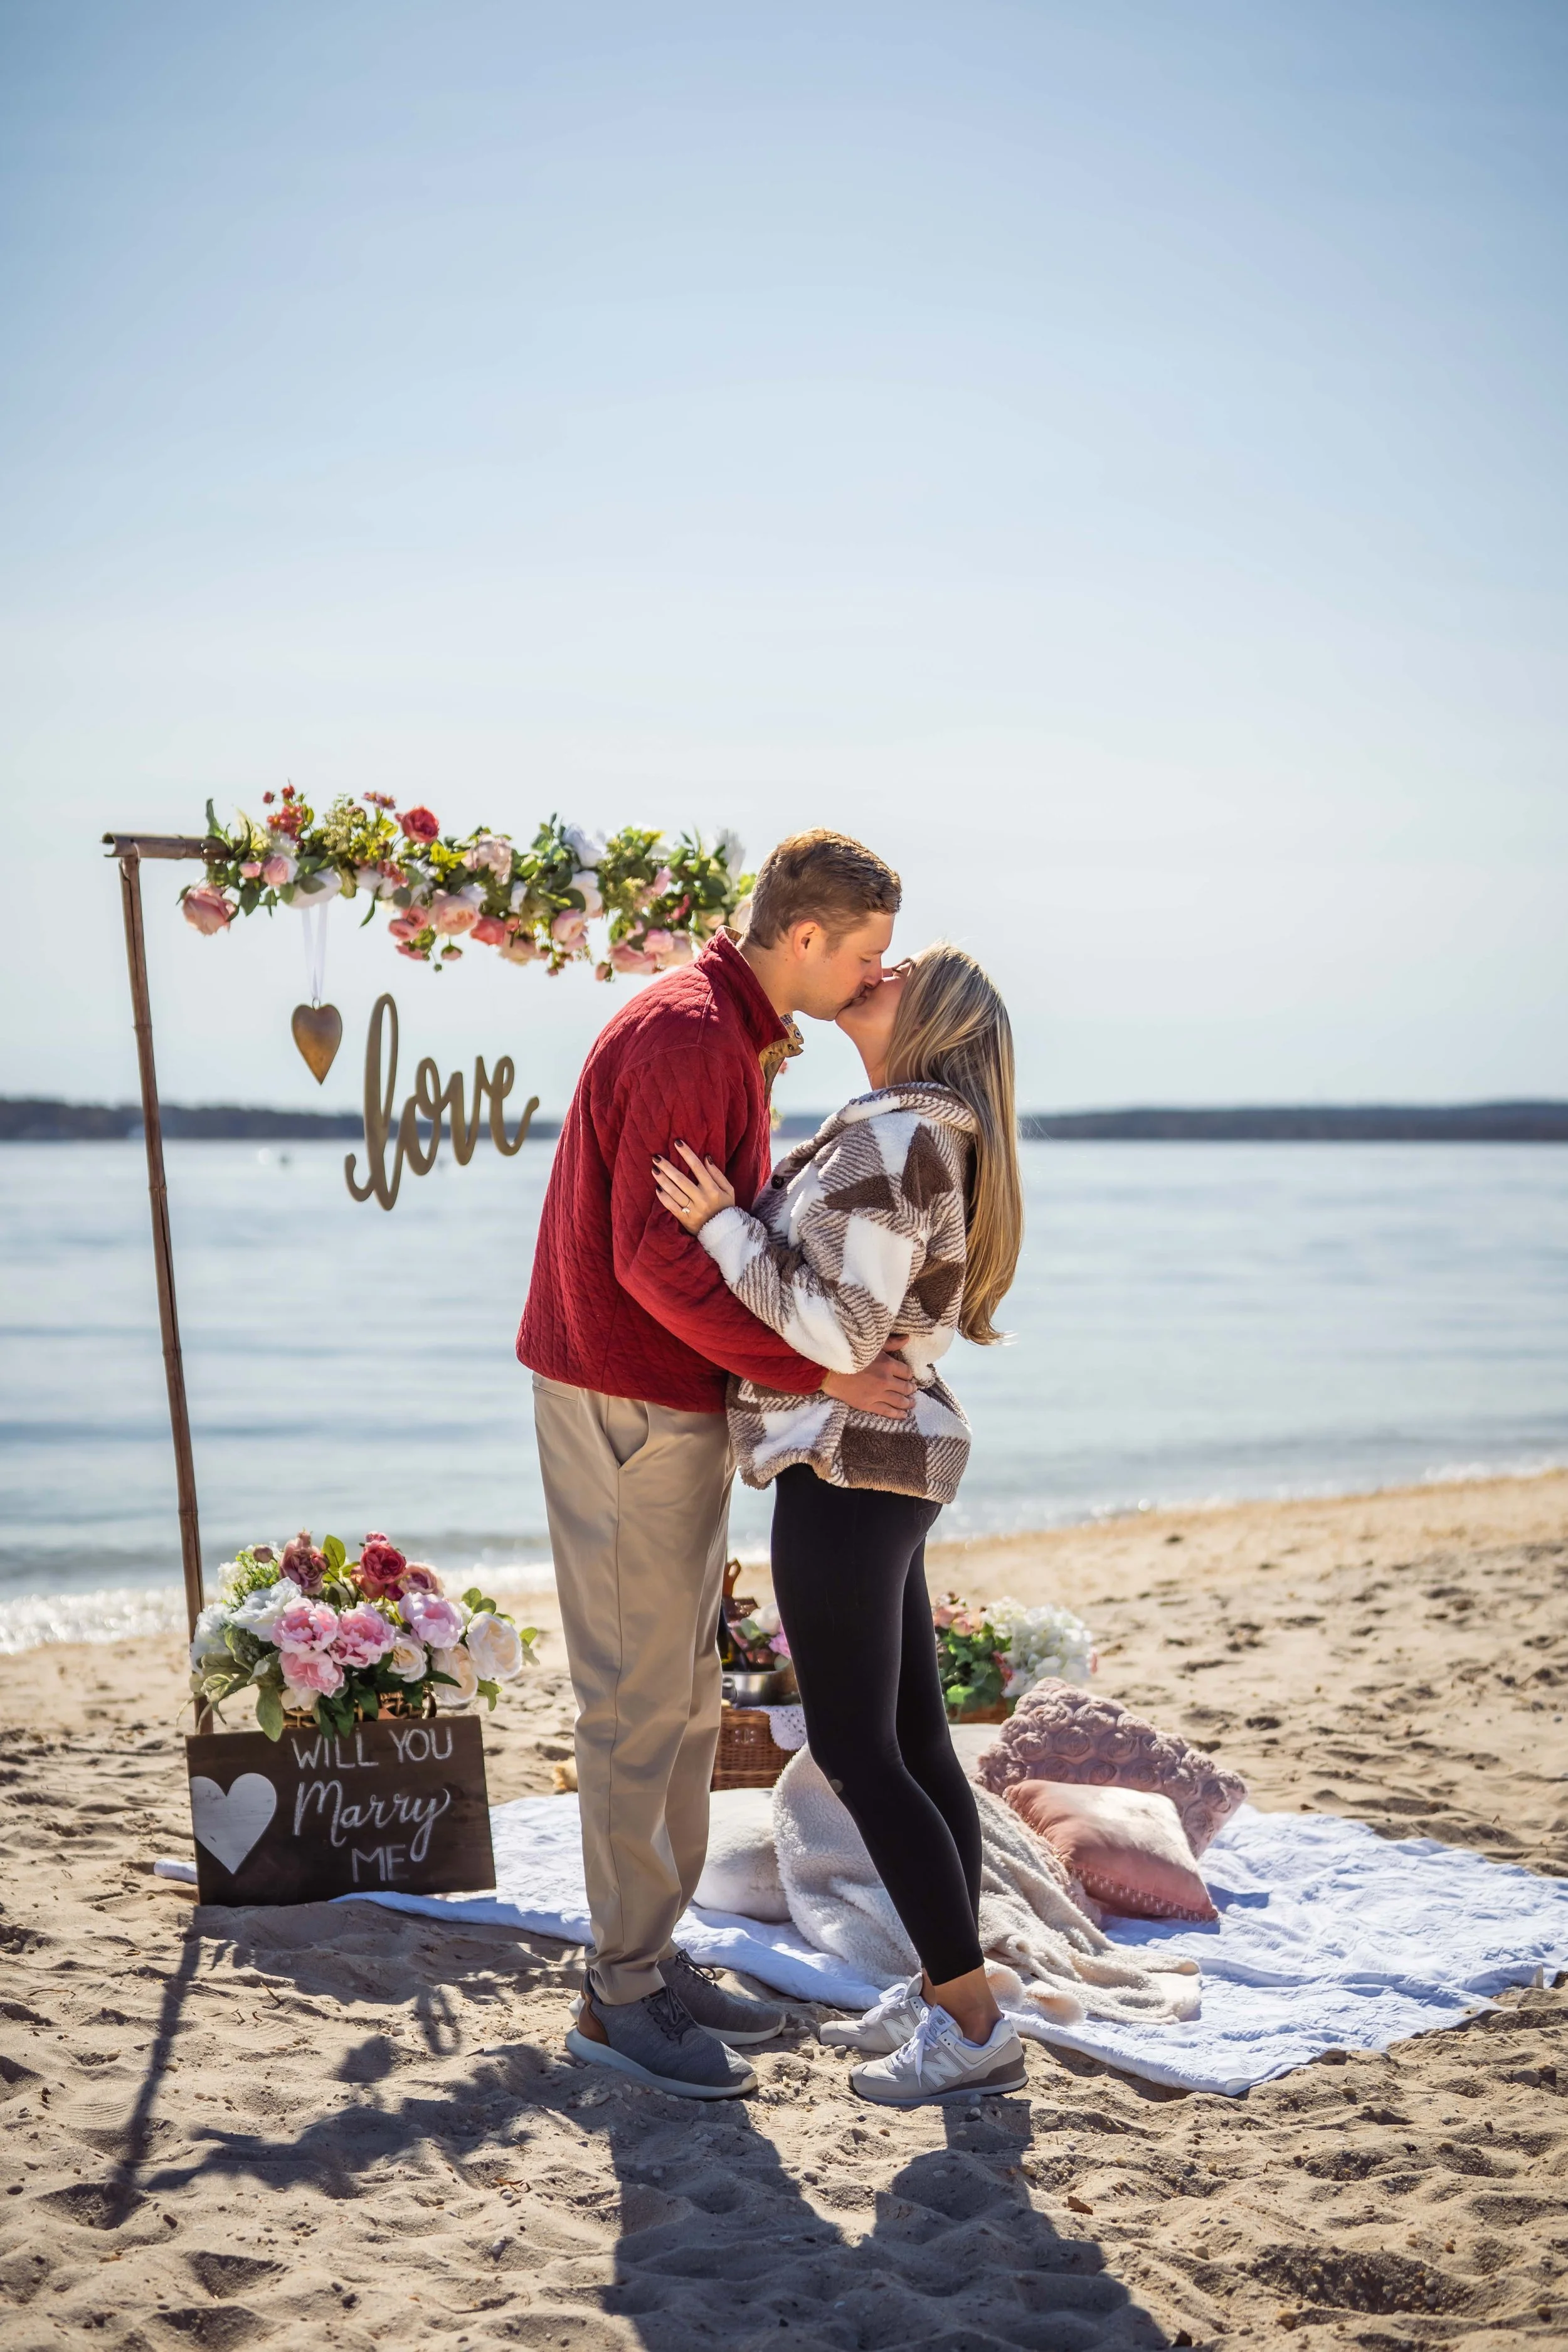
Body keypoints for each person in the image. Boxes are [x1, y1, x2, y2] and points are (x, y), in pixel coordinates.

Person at [517, 829, 914, 2100]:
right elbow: (658, 1258)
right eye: (860, 953)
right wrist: (820, 1374)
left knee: (681, 1697)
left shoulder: (718, 1026)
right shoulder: (692, 1035)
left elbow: (718, 1224)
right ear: (802, 936)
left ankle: (645, 1950)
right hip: (628, 1401)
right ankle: (618, 1994)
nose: (868, 975)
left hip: (655, 1394)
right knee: (639, 1703)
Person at [652, 940, 1029, 2107]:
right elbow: (861, 1327)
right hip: (874, 1462)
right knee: (913, 1744)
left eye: (906, 963)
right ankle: (946, 1989)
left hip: (848, 1462)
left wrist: (723, 1227)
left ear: (935, 1017)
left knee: (862, 1750)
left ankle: (969, 2021)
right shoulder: (903, 1129)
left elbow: (842, 1330)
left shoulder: (895, 1138)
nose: (886, 961)